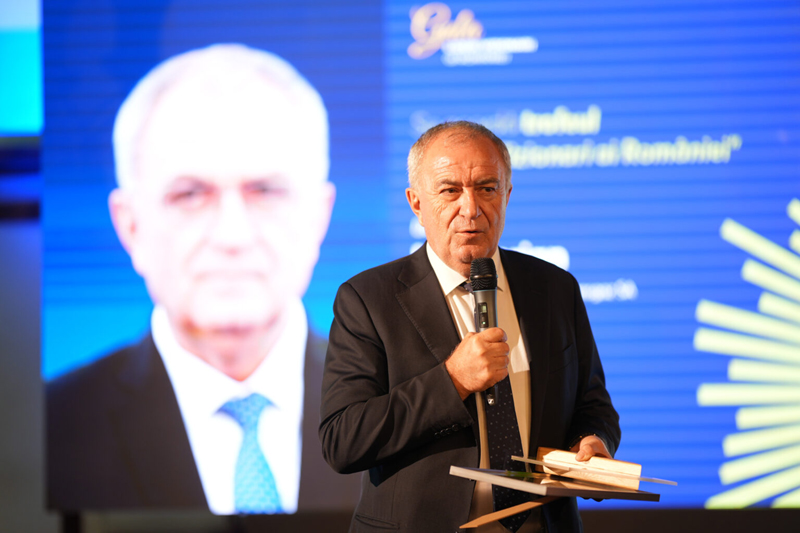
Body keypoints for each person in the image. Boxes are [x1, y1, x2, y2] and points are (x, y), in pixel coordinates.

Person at [47, 43, 359, 514]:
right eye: (190, 195)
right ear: (130, 226)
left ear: (319, 217)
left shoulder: (406, 410)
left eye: (265, 191)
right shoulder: (54, 427)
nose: (232, 236)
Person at [319, 121, 620, 532]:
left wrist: (592, 442)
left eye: (487, 188)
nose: (471, 208)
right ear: (416, 203)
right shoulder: (367, 299)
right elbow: (343, 440)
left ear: (507, 195)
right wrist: (452, 380)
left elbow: (593, 405)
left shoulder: (555, 288)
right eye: (449, 190)